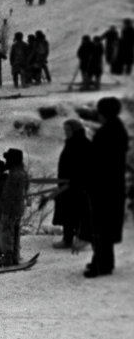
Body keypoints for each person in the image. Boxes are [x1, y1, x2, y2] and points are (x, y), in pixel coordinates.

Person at [85, 97, 129, 278]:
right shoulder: (118, 129)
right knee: (106, 227)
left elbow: (97, 162)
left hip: (102, 187)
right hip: (114, 185)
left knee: (100, 227)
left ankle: (101, 265)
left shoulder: (105, 133)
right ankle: (105, 262)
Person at [52, 119, 93, 250]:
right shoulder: (70, 143)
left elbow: (88, 167)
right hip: (66, 186)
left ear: (75, 130)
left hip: (79, 187)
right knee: (67, 214)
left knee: (81, 214)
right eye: (65, 130)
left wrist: (78, 182)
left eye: (68, 130)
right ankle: (67, 239)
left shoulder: (84, 144)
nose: (66, 133)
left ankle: (83, 239)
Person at [0, 148, 28, 265]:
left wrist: (1, 207)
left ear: (12, 161)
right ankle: (15, 255)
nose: (6, 161)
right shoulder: (22, 172)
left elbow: (8, 193)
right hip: (19, 207)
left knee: (5, 231)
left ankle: (7, 257)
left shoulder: (14, 175)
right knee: (15, 231)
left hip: (10, 208)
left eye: (7, 159)